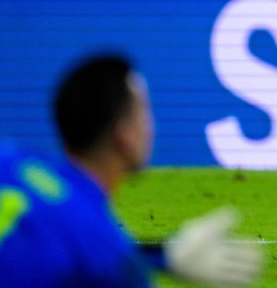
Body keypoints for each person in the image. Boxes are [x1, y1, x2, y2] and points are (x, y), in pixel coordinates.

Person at [0, 54, 261, 285]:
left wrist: (163, 256)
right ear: (125, 136)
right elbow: (98, 254)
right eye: (144, 111)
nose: (151, 125)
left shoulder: (10, 159)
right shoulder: (107, 254)